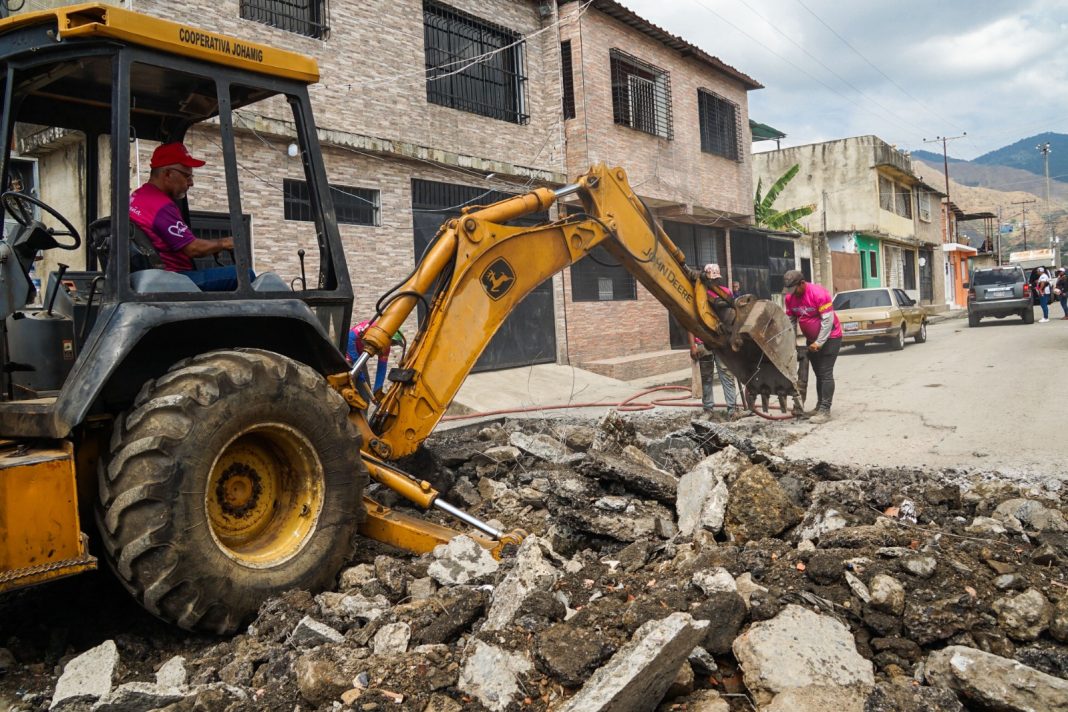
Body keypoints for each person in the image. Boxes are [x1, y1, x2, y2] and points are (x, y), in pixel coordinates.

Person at [129, 142, 244, 291]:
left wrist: (213, 246)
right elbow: (193, 249)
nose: (191, 183)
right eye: (187, 176)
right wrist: (224, 243)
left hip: (156, 277)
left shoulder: (138, 196)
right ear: (168, 174)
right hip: (175, 279)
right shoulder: (161, 206)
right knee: (245, 274)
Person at [783, 269, 842, 424]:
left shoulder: (819, 294)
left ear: (802, 283)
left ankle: (825, 410)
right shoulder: (790, 298)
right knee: (818, 374)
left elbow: (827, 321)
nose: (792, 293)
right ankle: (819, 407)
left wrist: (819, 342)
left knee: (825, 372)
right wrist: (791, 342)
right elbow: (791, 321)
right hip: (812, 340)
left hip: (831, 337)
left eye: (795, 289)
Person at [689, 263, 740, 420]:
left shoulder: (726, 293)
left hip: (722, 341)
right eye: (712, 279)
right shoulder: (698, 294)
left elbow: (733, 317)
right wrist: (692, 345)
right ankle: (708, 409)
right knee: (707, 377)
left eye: (716, 279)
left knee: (727, 375)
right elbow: (690, 320)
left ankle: (732, 409)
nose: (715, 282)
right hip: (703, 342)